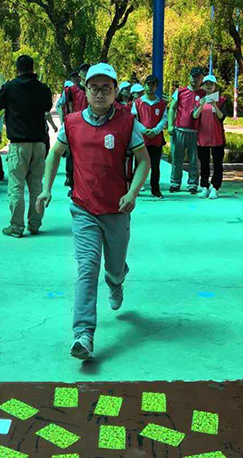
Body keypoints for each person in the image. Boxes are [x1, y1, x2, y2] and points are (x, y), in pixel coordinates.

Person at [37, 63, 150, 360]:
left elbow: (144, 161)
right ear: (85, 91)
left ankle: (117, 281)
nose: (100, 94)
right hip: (83, 208)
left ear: (115, 92)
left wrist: (132, 192)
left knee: (114, 266)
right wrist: (46, 189)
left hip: (117, 209)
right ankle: (83, 335)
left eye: (106, 88)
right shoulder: (72, 123)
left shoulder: (127, 123)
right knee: (87, 269)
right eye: (94, 88)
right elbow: (54, 155)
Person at [0, 55, 53, 237]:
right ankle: (35, 224)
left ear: (17, 68)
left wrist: (1, 91)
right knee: (36, 186)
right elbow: (48, 107)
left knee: (16, 186)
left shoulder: (10, 87)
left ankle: (16, 226)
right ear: (32, 68)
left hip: (19, 144)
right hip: (39, 143)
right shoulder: (42, 88)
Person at [167, 67, 205, 194]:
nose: (195, 79)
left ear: (202, 79)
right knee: (176, 159)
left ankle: (193, 184)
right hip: (179, 130)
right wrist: (170, 125)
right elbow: (172, 108)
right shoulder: (180, 91)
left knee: (194, 160)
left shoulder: (204, 94)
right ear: (189, 77)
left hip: (195, 132)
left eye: (198, 77)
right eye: (193, 76)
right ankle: (175, 183)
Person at [132, 74, 167, 200]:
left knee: (155, 166)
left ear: (156, 87)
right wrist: (144, 130)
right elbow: (134, 119)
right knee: (139, 165)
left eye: (153, 85)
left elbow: (164, 119)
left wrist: (155, 131)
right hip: (141, 139)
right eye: (148, 84)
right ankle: (135, 189)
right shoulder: (138, 102)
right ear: (145, 85)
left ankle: (155, 189)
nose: (150, 87)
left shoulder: (161, 103)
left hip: (156, 139)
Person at [193, 74, 227, 200]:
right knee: (204, 164)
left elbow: (221, 117)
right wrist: (202, 105)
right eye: (206, 84)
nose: (208, 86)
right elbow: (194, 116)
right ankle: (204, 186)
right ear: (203, 86)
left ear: (215, 86)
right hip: (203, 138)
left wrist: (214, 105)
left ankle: (215, 188)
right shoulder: (199, 101)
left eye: (211, 84)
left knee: (218, 164)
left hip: (217, 138)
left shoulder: (221, 100)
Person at [64, 63, 89, 193]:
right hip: (76, 126)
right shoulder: (71, 90)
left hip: (91, 125)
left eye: (87, 70)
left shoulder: (93, 88)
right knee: (72, 154)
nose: (85, 72)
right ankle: (72, 182)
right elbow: (69, 107)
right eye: (83, 70)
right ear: (79, 74)